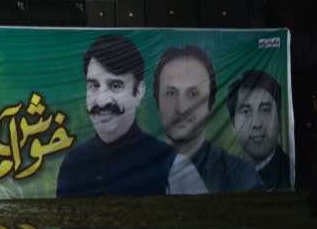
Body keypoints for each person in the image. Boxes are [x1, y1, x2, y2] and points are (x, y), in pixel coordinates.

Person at [56, 34, 207, 197]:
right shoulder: (72, 164)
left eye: (115, 86)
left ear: (139, 91)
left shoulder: (171, 165)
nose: (101, 100)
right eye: (93, 86)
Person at [153, 45, 262, 193]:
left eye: (193, 94)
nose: (181, 108)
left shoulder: (240, 175)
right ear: (157, 101)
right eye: (171, 93)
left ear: (211, 106)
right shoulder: (135, 172)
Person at [227, 70, 292, 190]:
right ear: (233, 123)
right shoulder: (225, 176)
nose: (256, 124)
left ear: (279, 117)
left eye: (265, 110)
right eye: (246, 111)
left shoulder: (292, 171)